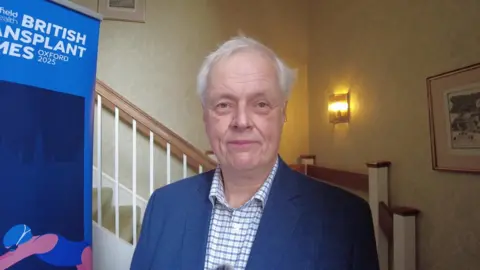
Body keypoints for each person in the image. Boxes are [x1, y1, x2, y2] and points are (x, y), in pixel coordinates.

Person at [130, 36, 379, 270]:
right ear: (205, 116)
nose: (241, 121)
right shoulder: (163, 207)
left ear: (283, 114)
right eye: (223, 105)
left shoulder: (346, 220)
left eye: (260, 104)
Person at [0, 224, 92, 270]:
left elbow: (11, 258)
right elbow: (9, 256)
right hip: (79, 260)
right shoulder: (33, 244)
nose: (12, 251)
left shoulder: (40, 243)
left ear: (20, 242)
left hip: (85, 253)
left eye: (13, 248)